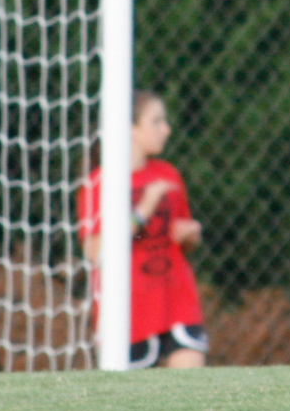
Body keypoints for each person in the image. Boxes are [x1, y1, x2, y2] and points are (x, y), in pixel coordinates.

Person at [78, 90, 208, 369]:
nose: (166, 129)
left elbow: (183, 241)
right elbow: (95, 252)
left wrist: (189, 235)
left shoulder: (168, 174)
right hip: (128, 311)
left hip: (176, 300)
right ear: (130, 129)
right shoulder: (99, 183)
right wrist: (142, 211)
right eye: (156, 121)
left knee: (194, 391)